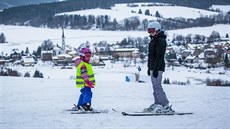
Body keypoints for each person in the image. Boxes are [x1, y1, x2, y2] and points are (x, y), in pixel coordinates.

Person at [144, 21, 174, 113]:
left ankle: (165, 105)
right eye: (149, 31)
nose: (150, 33)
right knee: (155, 86)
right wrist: (150, 68)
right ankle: (158, 103)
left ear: (157, 30)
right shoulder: (154, 40)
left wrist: (156, 69)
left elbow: (159, 56)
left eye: (152, 30)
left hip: (158, 67)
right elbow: (151, 56)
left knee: (157, 86)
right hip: (153, 67)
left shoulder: (160, 41)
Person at [72, 47, 96, 111]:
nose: (89, 57)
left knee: (83, 93)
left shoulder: (85, 64)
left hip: (84, 83)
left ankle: (80, 105)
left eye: (90, 55)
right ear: (82, 56)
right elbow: (84, 74)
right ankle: (86, 105)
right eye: (87, 55)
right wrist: (88, 82)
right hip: (86, 83)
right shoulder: (83, 65)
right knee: (88, 93)